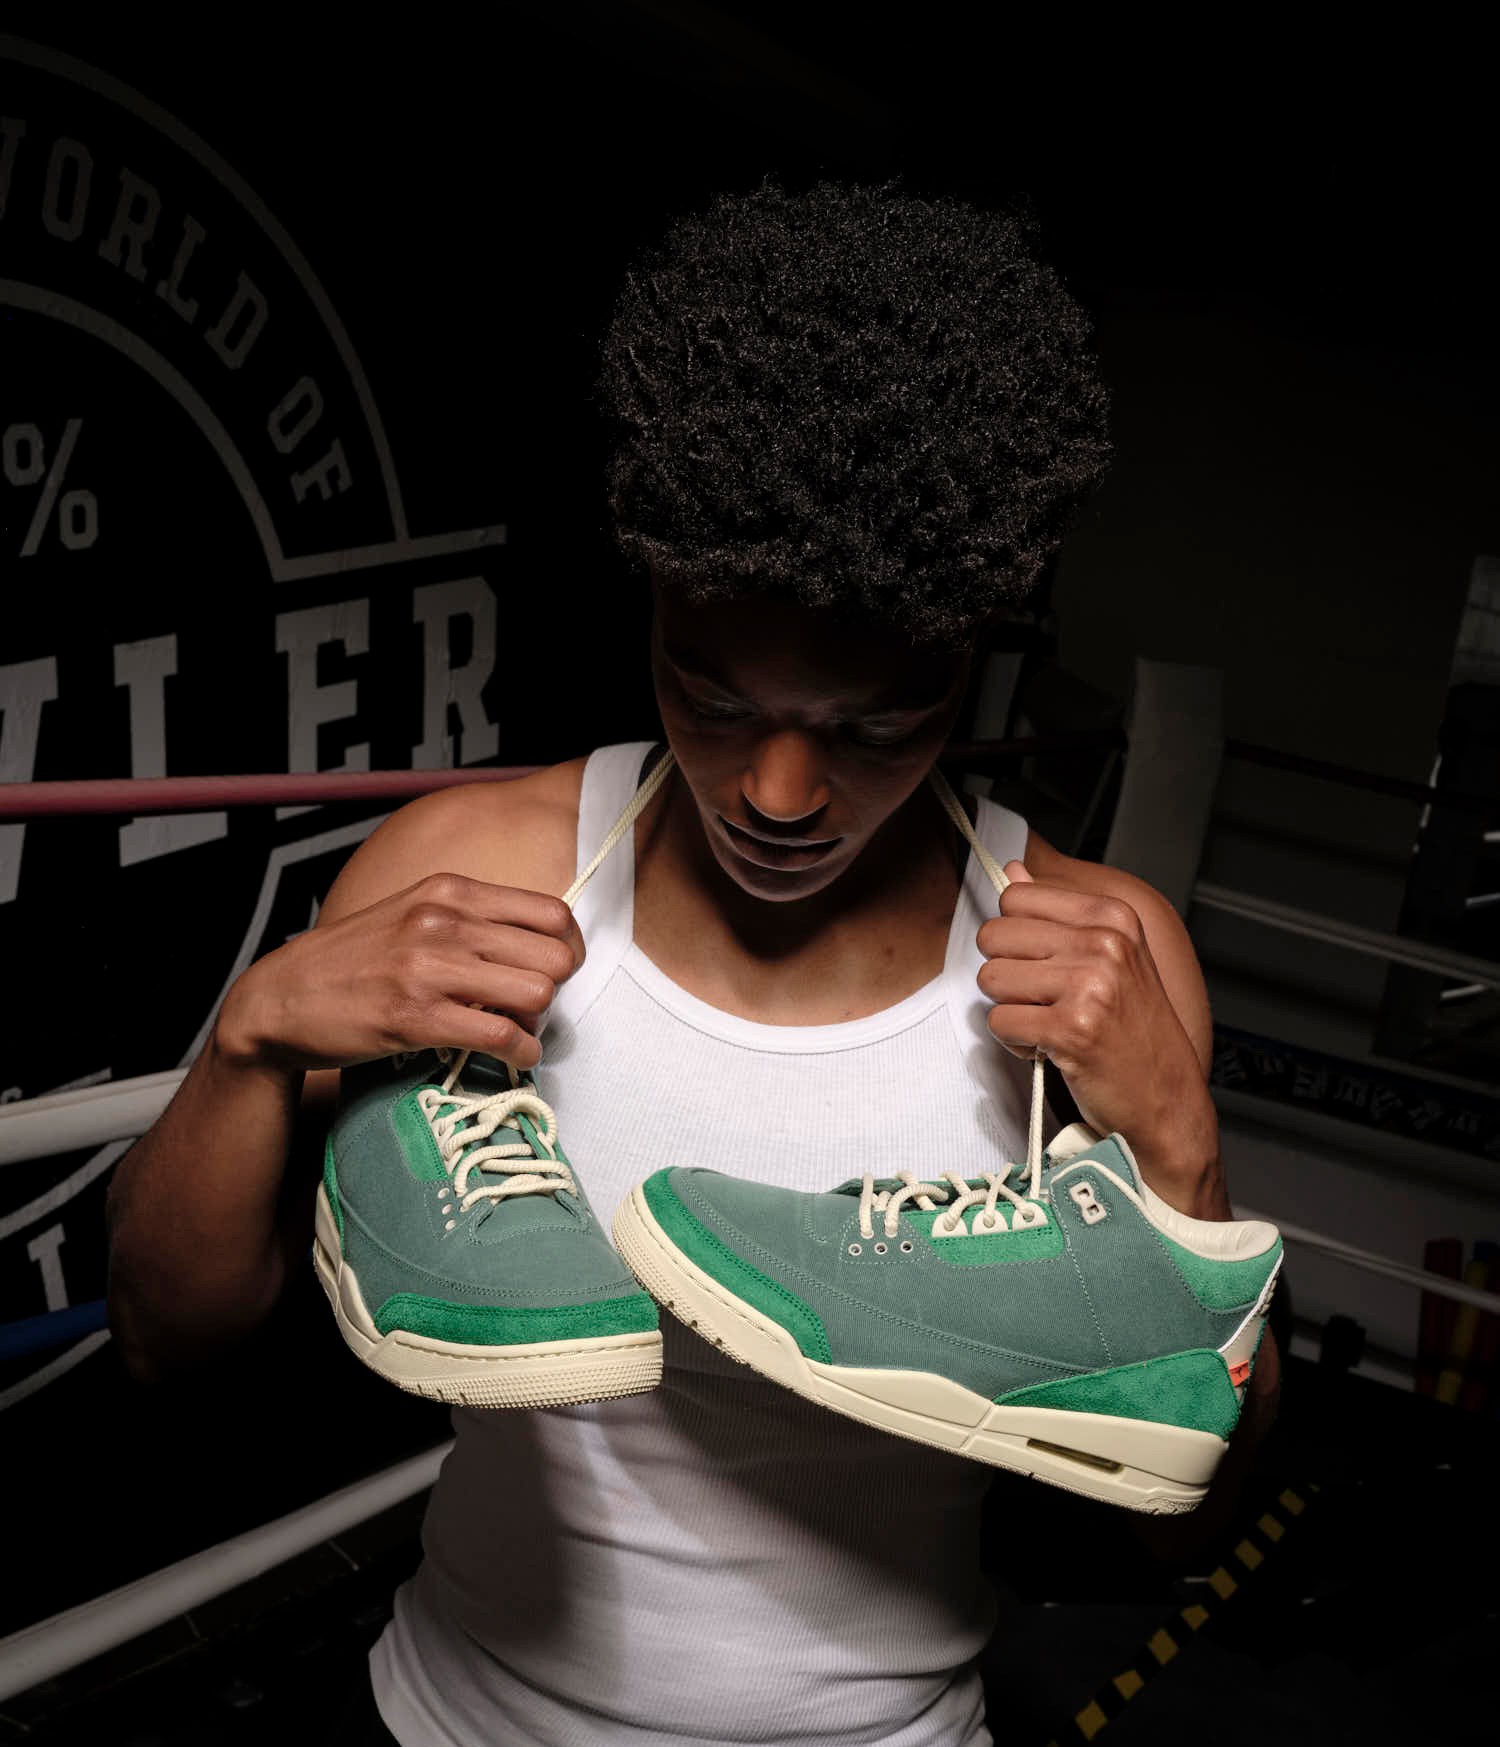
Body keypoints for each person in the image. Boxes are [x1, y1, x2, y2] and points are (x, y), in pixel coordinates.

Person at [106, 175, 1280, 1746]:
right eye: (714, 699)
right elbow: (164, 1341)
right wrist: (250, 1035)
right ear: (653, 593)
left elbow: (1189, 1529)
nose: (780, 795)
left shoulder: (1101, 958)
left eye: (874, 727)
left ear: (973, 659)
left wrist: (1185, 1159)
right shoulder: (474, 871)